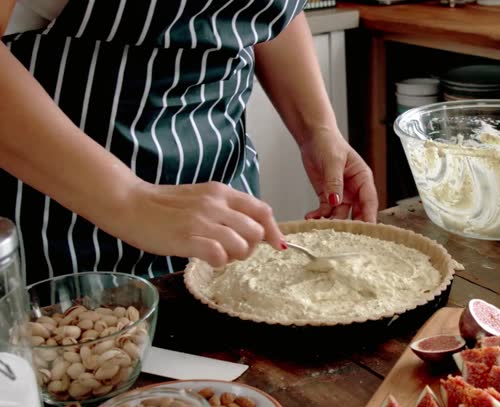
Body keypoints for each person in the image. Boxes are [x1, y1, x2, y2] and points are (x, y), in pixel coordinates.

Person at [0, 0, 379, 285]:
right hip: (64, 220)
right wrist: (130, 199)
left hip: (223, 197)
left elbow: (265, 11)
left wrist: (318, 130)